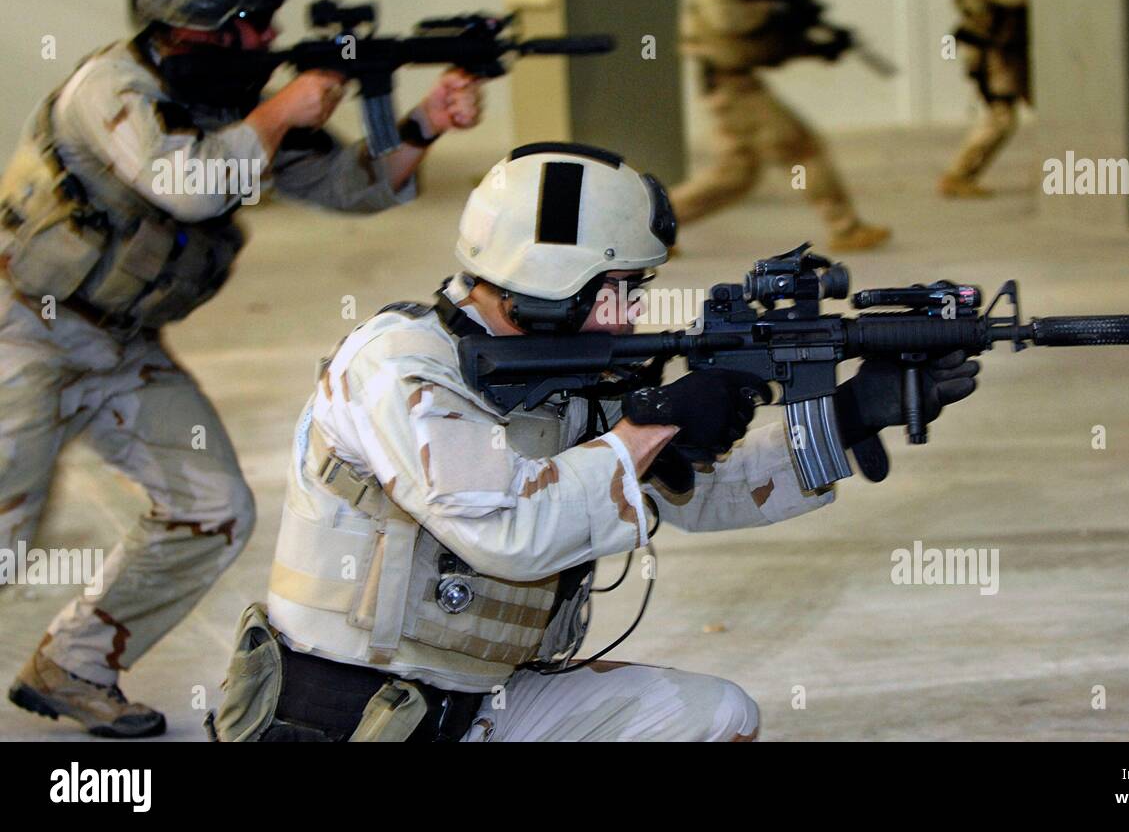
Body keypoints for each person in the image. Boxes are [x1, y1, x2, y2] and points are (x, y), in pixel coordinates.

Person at [208, 142, 979, 742]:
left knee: (714, 715)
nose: (626, 314)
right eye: (614, 289)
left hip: (478, 707)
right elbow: (508, 531)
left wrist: (846, 417)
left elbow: (703, 497)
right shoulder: (400, 365)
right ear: (549, 279)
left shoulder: (571, 373)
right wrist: (656, 426)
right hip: (346, 723)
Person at [0, 0, 482, 737]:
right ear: (212, 24)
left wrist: (423, 125)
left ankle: (75, 661)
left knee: (212, 505)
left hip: (121, 347)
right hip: (23, 330)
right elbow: (187, 184)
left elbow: (349, 186)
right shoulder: (111, 86)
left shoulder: (231, 102)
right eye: (259, 24)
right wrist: (280, 108)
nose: (271, 40)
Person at [671, 0, 891, 252]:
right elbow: (731, 22)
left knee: (736, 176)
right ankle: (845, 228)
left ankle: (654, 225)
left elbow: (764, 46)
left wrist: (815, 46)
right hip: (732, 89)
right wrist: (779, 11)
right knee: (803, 149)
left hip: (733, 86)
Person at [939, 0, 1030, 198]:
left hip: (1009, 51)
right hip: (991, 54)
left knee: (1059, 106)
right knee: (1001, 117)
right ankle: (959, 174)